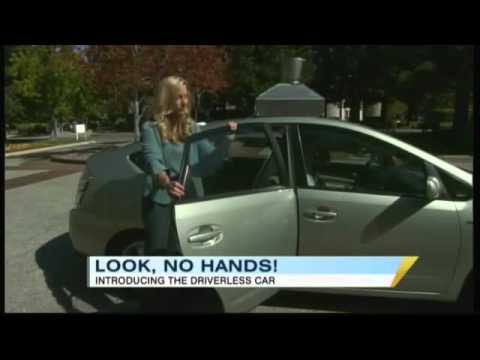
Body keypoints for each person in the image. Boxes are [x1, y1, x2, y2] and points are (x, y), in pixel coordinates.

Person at [140, 76, 237, 312]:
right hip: (161, 200)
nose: (184, 102)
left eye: (186, 96)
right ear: (167, 99)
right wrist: (165, 182)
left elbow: (208, 161)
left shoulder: (192, 128)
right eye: (179, 97)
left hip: (191, 198)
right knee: (160, 263)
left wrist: (227, 141)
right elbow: (153, 161)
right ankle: (155, 306)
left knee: (187, 257)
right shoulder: (150, 128)